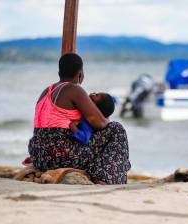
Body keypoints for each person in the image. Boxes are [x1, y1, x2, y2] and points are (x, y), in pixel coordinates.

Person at [28, 53, 131, 184]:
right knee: (116, 129)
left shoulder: (45, 91)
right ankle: (104, 179)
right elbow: (101, 123)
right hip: (60, 155)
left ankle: (98, 173)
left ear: (59, 72)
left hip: (39, 157)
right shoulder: (74, 89)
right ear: (81, 75)